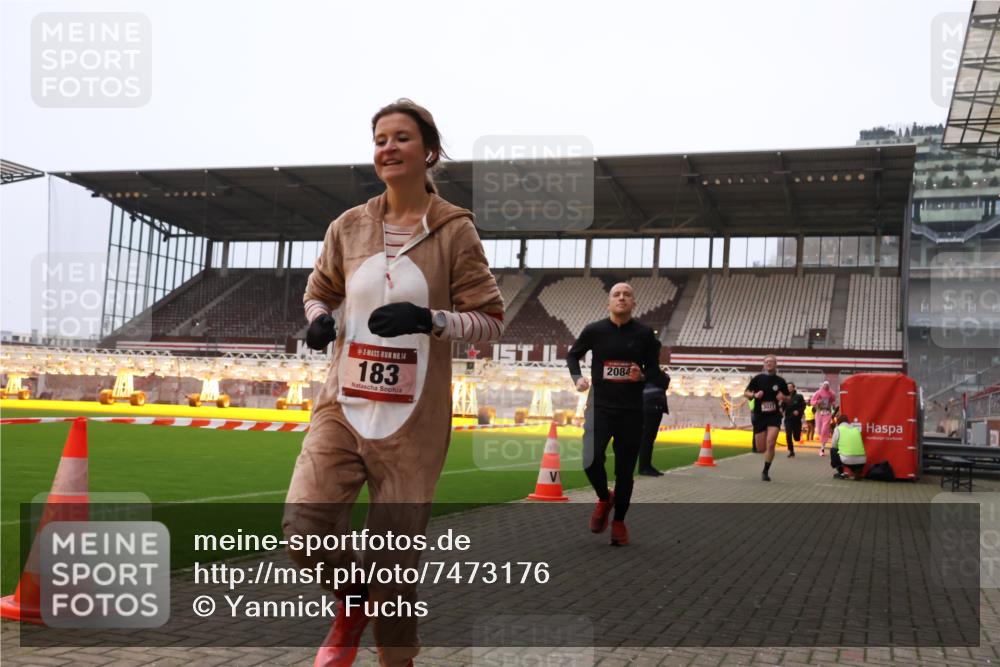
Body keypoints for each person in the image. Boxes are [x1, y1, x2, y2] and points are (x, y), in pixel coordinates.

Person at [283, 99, 505, 667]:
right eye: (380, 138)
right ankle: (354, 603)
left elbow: (490, 319)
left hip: (412, 424)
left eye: (401, 138)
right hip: (342, 404)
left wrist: (428, 320)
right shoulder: (348, 226)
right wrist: (317, 322)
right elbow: (318, 292)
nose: (388, 147)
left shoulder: (455, 231)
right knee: (304, 530)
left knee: (393, 568)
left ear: (428, 151)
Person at [567, 283, 664, 546]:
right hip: (600, 407)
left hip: (632, 411)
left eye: (627, 295)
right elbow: (573, 355)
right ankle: (603, 497)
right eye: (616, 295)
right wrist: (577, 378)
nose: (621, 298)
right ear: (608, 303)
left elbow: (656, 372)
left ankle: (619, 522)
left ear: (634, 303)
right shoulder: (594, 330)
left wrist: (642, 375)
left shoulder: (645, 334)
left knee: (624, 472)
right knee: (590, 458)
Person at [744, 355, 789, 481]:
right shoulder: (758, 378)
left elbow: (788, 398)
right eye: (767, 362)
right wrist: (754, 395)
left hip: (774, 415)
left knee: (771, 443)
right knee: (761, 448)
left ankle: (765, 471)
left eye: (771, 362)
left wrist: (784, 398)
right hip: (760, 415)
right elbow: (745, 393)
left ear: (776, 364)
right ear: (764, 365)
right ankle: (766, 457)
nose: (769, 363)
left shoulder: (780, 381)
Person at [637, 363, 670, 476]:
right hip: (649, 407)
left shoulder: (650, 373)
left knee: (649, 438)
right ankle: (644, 467)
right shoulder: (648, 373)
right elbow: (664, 381)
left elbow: (665, 381)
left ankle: (646, 465)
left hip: (654, 408)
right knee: (647, 438)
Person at [830, 413, 866, 480]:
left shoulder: (838, 429)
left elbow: (833, 445)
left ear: (838, 422)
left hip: (847, 459)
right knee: (852, 455)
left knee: (833, 450)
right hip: (862, 460)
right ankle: (856, 471)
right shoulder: (855, 429)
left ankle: (841, 473)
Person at [810, 381, 837, 456]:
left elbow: (833, 401)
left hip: (827, 413)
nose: (826, 386)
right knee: (819, 430)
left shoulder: (832, 393)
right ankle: (819, 435)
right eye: (825, 385)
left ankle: (822, 448)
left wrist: (833, 405)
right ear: (823, 386)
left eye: (827, 385)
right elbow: (812, 401)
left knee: (825, 429)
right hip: (819, 413)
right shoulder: (818, 393)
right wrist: (818, 401)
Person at [782, 382, 806, 457]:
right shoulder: (785, 397)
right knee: (788, 435)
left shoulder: (799, 396)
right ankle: (791, 451)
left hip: (797, 420)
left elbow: (803, 406)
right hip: (788, 419)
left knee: (796, 438)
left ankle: (797, 436)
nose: (789, 388)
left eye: (790, 387)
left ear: (794, 388)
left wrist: (798, 411)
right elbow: (782, 408)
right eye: (788, 387)